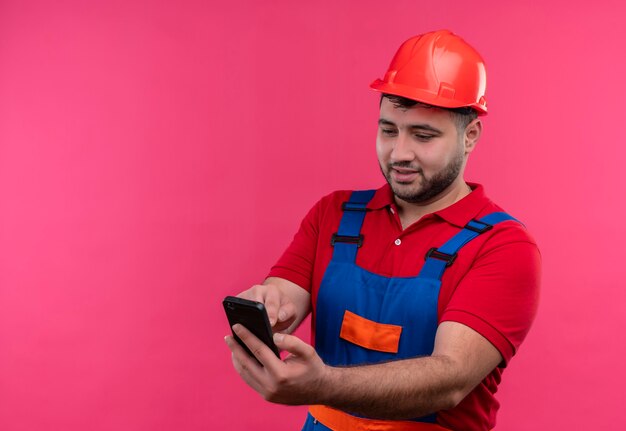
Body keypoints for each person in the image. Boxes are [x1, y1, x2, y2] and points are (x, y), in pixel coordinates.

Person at [224, 29, 541, 431]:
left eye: (423, 136)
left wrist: (323, 385)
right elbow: (283, 297)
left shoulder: (503, 246)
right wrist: (268, 311)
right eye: (389, 130)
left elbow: (449, 380)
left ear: (470, 136)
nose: (400, 153)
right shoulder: (333, 215)